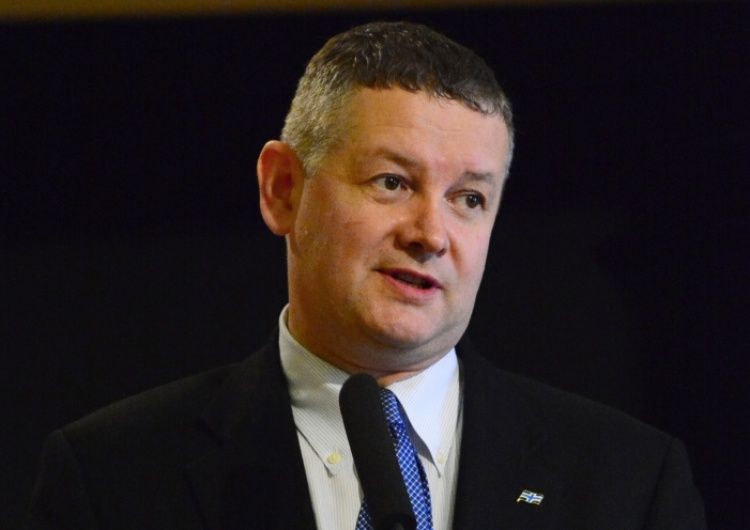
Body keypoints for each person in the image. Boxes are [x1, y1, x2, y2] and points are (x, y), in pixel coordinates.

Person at [27, 21, 706, 530]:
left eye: (469, 198)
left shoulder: (630, 482)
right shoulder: (111, 477)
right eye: (392, 182)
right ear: (283, 190)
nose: (431, 234)